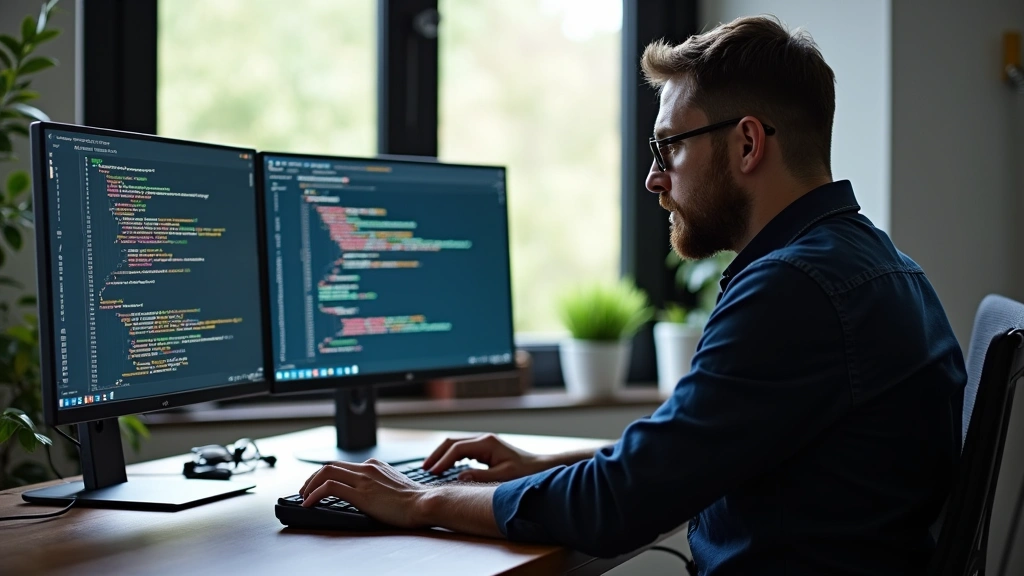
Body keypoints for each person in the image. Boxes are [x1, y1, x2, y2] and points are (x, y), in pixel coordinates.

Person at [299, 15, 966, 575]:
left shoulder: (795, 292)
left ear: (747, 142)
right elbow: (689, 458)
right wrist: (543, 465)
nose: (653, 178)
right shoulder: (877, 265)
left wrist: (421, 502)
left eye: (668, 147)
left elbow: (618, 507)